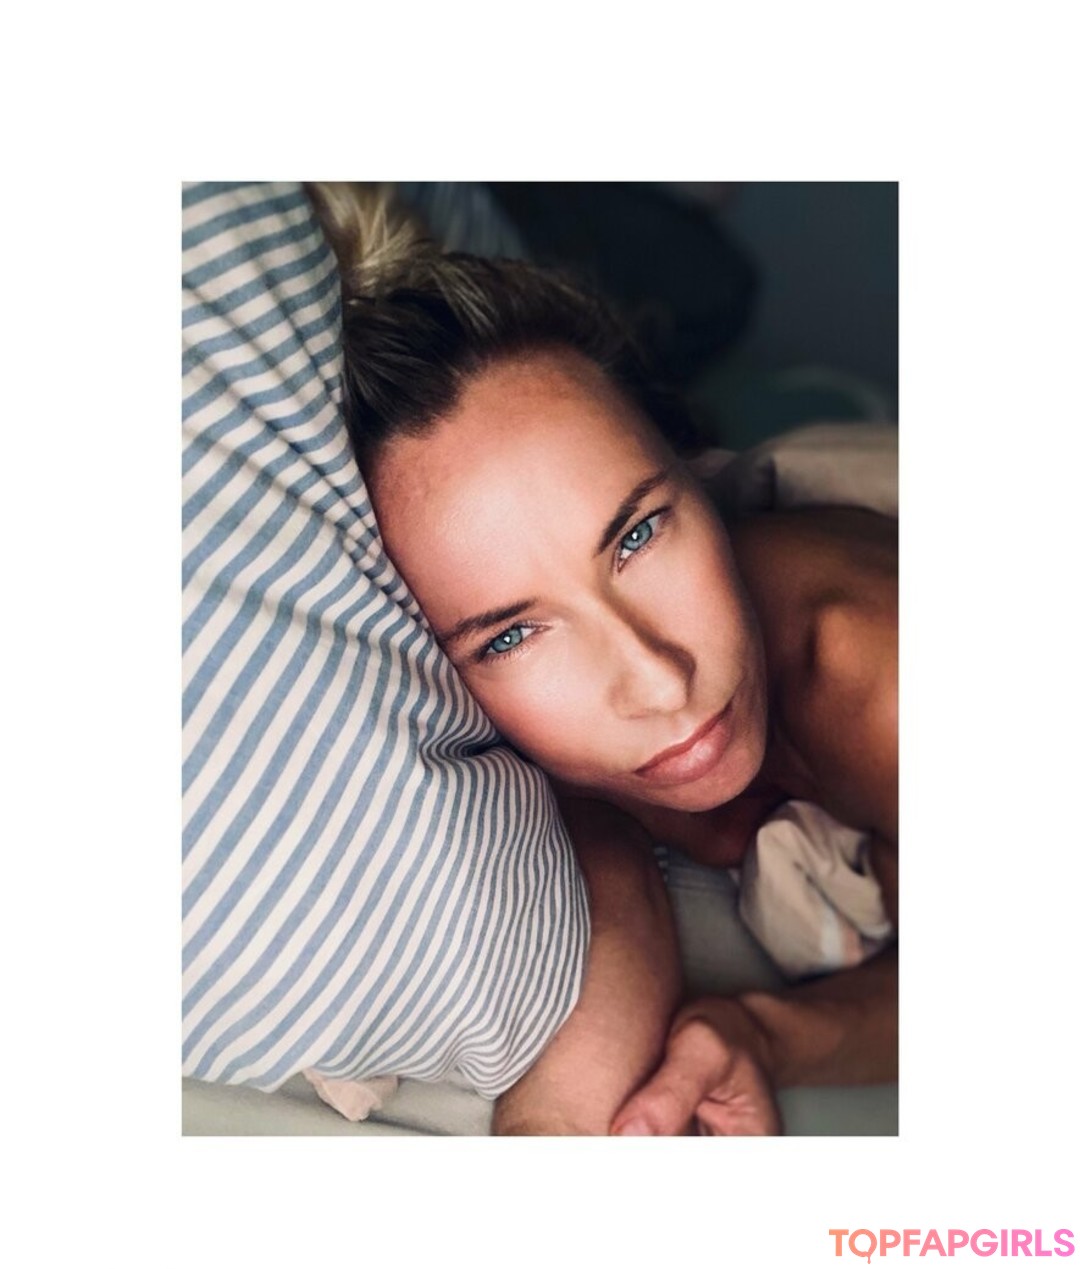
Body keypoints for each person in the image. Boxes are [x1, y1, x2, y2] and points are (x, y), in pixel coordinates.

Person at [307, 182, 898, 1136]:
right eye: (512, 634)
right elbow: (606, 881)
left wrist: (785, 1032)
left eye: (638, 534)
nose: (660, 679)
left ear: (685, 461)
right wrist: (749, 1032)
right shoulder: (509, 757)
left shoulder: (878, 682)